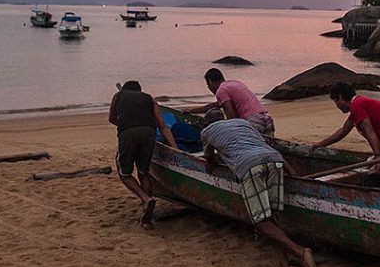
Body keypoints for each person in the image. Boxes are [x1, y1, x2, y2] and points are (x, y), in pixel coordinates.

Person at [200, 110, 324, 267]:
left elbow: (209, 162)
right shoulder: (242, 123)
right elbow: (264, 145)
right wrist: (294, 174)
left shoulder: (206, 132)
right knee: (268, 217)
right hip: (275, 160)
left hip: (250, 166)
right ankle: (285, 266)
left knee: (260, 220)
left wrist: (212, 165)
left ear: (207, 123)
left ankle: (300, 252)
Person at [108, 80, 177, 229]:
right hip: (149, 132)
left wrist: (125, 123)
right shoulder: (150, 99)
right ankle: (147, 219)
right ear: (140, 91)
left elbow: (112, 118)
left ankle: (146, 199)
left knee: (124, 173)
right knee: (143, 171)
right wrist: (175, 149)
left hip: (128, 133)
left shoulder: (118, 95)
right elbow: (163, 126)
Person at [312, 82, 380, 171]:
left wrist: (378, 158)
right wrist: (321, 144)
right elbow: (344, 130)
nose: (337, 106)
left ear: (340, 98)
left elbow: (370, 132)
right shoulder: (360, 105)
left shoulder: (357, 105)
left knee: (373, 168)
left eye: (335, 102)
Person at [187, 68, 275, 135]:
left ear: (210, 82)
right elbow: (216, 105)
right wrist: (191, 111)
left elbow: (232, 117)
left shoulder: (221, 91)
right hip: (266, 118)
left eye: (207, 85)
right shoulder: (235, 84)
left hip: (253, 121)